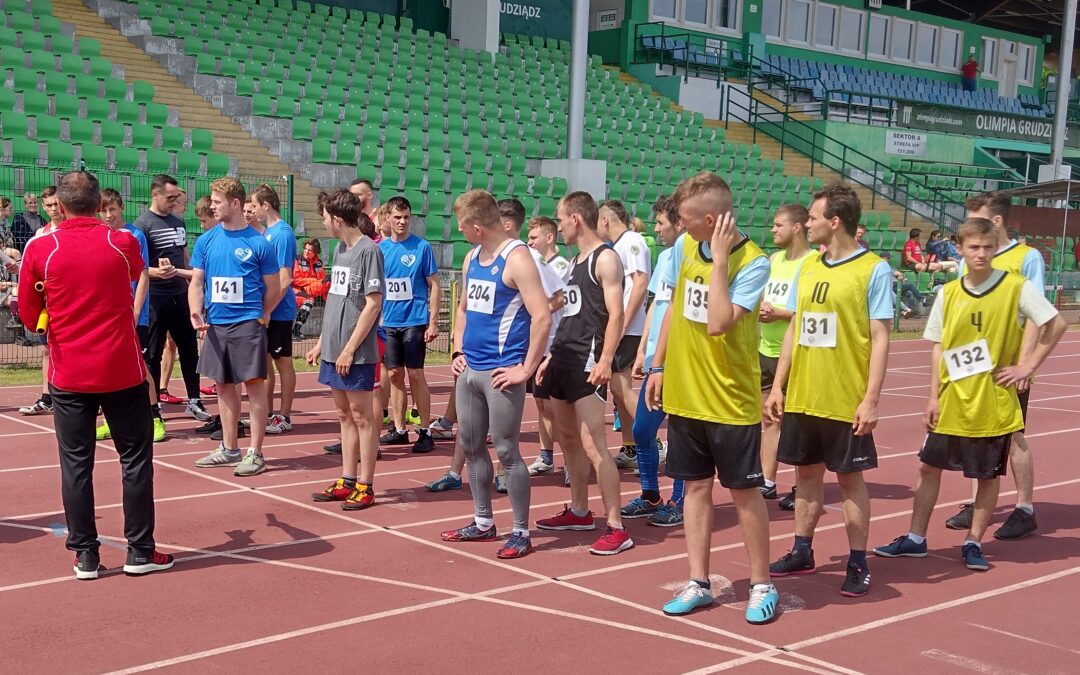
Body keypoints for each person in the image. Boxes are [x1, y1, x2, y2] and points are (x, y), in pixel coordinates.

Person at [874, 217, 1065, 570]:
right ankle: (915, 538)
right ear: (959, 249)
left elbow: (1056, 324)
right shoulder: (949, 293)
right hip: (951, 400)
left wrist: (1028, 366)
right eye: (974, 247)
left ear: (995, 249)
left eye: (988, 247)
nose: (981, 254)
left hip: (991, 402)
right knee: (928, 468)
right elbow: (939, 348)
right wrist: (932, 396)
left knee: (986, 476)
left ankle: (974, 542)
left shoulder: (1015, 287)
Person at [18, 171, 173, 580]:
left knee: (75, 465)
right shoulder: (120, 241)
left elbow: (28, 312)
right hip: (121, 369)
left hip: (69, 372)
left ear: (62, 206)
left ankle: (85, 554)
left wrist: (48, 320)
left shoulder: (42, 248)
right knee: (135, 461)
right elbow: (133, 274)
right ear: (97, 205)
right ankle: (140, 550)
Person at [643, 172, 778, 623]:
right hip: (685, 393)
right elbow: (677, 306)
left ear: (711, 220)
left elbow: (719, 321)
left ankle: (762, 582)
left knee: (743, 493)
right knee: (695, 489)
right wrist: (658, 365)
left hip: (730, 399)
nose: (678, 227)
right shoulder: (683, 247)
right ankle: (699, 581)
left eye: (684, 219)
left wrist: (719, 261)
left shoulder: (754, 262)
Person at [764, 182, 893, 598]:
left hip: (844, 398)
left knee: (850, 480)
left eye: (815, 218)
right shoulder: (810, 266)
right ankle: (803, 549)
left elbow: (880, 337)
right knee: (805, 476)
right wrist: (779, 385)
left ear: (834, 221)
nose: (809, 223)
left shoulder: (873, 268)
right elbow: (796, 329)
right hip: (804, 394)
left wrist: (870, 398)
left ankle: (857, 560)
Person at [440, 190, 552, 559]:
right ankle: (483, 521)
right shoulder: (472, 257)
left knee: (506, 450)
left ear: (476, 226)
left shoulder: (517, 259)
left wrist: (526, 368)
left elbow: (542, 316)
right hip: (470, 368)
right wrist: (457, 350)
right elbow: (463, 308)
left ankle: (521, 530)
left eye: (461, 226)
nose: (458, 231)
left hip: (501, 373)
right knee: (471, 446)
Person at [534, 191, 632, 556]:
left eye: (560, 218)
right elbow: (569, 315)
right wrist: (550, 356)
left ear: (576, 218)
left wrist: (607, 359)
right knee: (568, 441)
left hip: (589, 363)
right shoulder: (575, 261)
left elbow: (616, 314)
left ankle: (617, 526)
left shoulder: (606, 260)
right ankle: (578, 510)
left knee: (595, 446)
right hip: (563, 359)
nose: (557, 226)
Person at [946, 191, 1048, 540]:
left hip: (1008, 366)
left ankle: (1024, 508)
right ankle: (977, 503)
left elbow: (1038, 317)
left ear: (998, 222)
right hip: (973, 365)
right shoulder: (968, 259)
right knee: (976, 432)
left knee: (1013, 435)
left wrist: (1025, 366)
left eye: (977, 218)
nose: (970, 227)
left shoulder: (1026, 258)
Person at [189, 177, 280, 477]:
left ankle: (255, 452)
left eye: (217, 202)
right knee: (223, 385)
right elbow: (198, 281)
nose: (211, 206)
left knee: (254, 387)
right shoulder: (206, 241)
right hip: (216, 325)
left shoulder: (259, 243)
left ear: (235, 204)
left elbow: (273, 287)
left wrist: (261, 316)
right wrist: (194, 310)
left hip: (247, 324)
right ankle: (230, 448)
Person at [307, 189, 384, 510]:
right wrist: (323, 343)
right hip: (333, 349)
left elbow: (373, 303)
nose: (323, 222)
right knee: (343, 415)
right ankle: (347, 478)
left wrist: (350, 348)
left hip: (356, 352)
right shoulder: (339, 250)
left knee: (362, 417)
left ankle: (366, 484)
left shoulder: (369, 252)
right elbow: (337, 300)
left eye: (325, 216)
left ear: (337, 219)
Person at [620, 196, 686, 526]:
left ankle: (680, 499)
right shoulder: (665, 258)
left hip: (682, 359)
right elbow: (658, 306)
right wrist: (644, 350)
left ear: (680, 222)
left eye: (661, 223)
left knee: (682, 431)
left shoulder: (690, 256)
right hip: (657, 359)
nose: (656, 229)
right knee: (642, 428)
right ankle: (650, 494)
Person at [134, 174, 211, 422]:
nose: (174, 201)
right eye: (170, 197)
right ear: (155, 195)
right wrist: (157, 271)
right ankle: (153, 407)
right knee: (153, 355)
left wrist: (192, 286)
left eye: (176, 197)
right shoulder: (142, 225)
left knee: (190, 352)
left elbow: (184, 257)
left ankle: (195, 401)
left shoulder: (178, 222)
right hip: (155, 300)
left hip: (180, 296)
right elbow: (139, 267)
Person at [95, 189, 166, 443]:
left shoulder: (135, 235)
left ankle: (155, 417)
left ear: (121, 208)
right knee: (107, 367)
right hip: (107, 316)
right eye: (103, 210)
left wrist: (136, 312)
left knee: (142, 366)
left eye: (112, 209)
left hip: (134, 315)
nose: (107, 215)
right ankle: (108, 422)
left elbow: (144, 274)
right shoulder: (99, 235)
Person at [759, 204, 814, 510]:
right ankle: (767, 481)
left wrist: (779, 312)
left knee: (795, 422)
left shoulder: (812, 263)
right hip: (766, 347)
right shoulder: (774, 259)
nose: (773, 229)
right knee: (768, 416)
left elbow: (808, 310)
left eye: (779, 224)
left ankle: (800, 483)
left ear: (797, 227)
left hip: (794, 351)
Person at [378, 196, 440, 453]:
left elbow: (434, 284)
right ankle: (399, 428)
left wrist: (433, 321)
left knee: (415, 373)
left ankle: (424, 430)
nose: (402, 222)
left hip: (414, 319)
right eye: (397, 217)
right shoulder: (380, 249)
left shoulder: (422, 247)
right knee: (393, 374)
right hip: (388, 320)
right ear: (388, 219)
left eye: (406, 217)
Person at [597, 200, 652, 470]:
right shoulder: (616, 247)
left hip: (629, 327)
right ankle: (631, 447)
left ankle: (654, 441)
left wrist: (622, 324)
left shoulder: (632, 241)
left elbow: (641, 282)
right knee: (619, 391)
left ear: (605, 220)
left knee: (620, 386)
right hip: (620, 326)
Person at [525, 215, 571, 477]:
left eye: (534, 237)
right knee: (541, 404)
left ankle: (569, 461)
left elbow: (562, 298)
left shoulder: (561, 265)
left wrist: (540, 311)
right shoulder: (533, 264)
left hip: (556, 342)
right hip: (539, 342)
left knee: (557, 407)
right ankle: (545, 456)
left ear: (549, 237)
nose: (529, 242)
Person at [251, 184, 298, 435]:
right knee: (266, 361)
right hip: (267, 308)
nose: (254, 210)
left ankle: (285, 415)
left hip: (279, 310)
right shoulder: (268, 232)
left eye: (255, 205)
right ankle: (267, 413)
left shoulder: (282, 233)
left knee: (283, 361)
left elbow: (285, 277)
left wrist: (268, 309)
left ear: (266, 205)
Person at [18, 186, 63, 416]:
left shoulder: (70, 231)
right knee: (46, 348)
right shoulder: (41, 234)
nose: (54, 209)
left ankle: (80, 397)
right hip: (48, 303)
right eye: (49, 205)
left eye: (57, 204)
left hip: (67, 300)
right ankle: (47, 397)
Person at [292, 238, 330, 340]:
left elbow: (322, 280)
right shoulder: (297, 260)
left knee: (328, 281)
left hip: (313, 289)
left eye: (310, 250)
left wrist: (316, 282)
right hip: (297, 290)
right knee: (309, 300)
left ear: (315, 252)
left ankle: (331, 306)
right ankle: (296, 330)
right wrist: (313, 280)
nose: (306, 251)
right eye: (305, 248)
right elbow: (296, 280)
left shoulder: (319, 263)